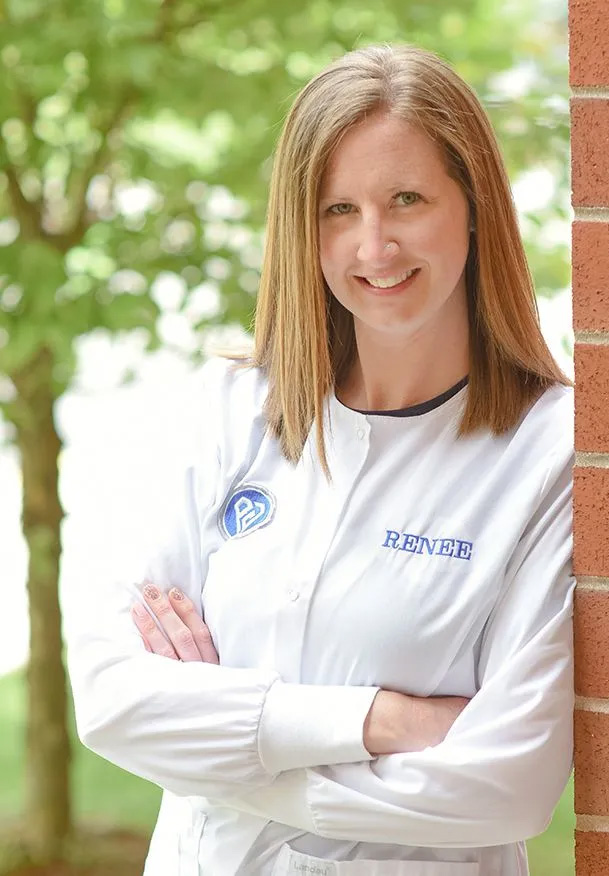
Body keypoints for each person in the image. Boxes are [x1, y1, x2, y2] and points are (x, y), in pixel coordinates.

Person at [66, 43, 574, 876]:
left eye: (405, 199)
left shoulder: (545, 452)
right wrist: (380, 719)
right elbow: (114, 701)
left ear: (474, 205)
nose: (373, 247)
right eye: (338, 210)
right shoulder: (226, 408)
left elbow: (504, 784)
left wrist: (219, 759)